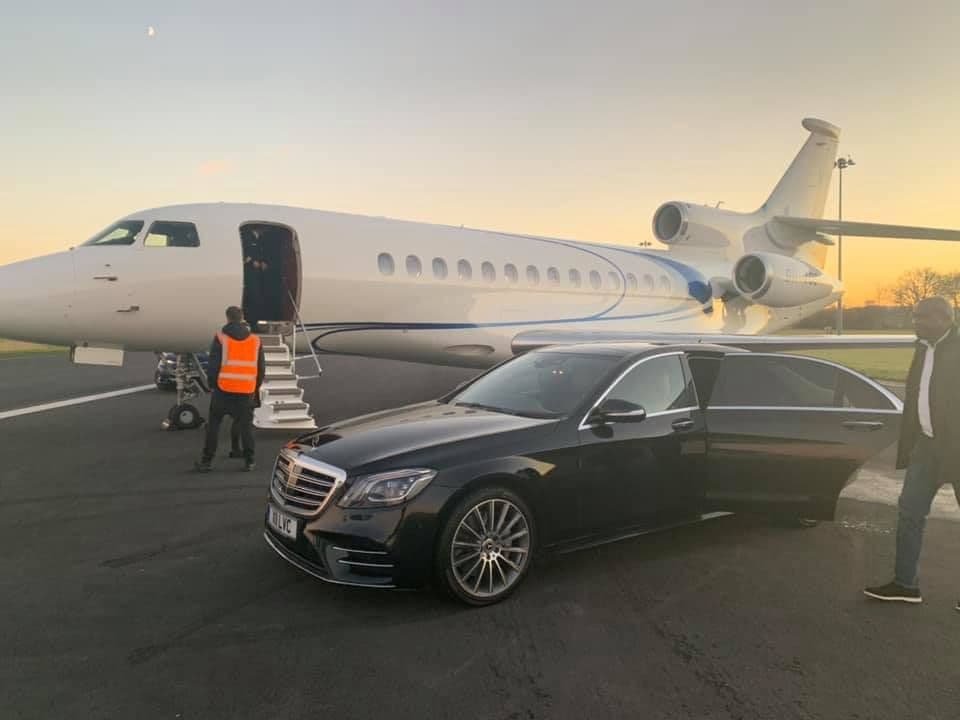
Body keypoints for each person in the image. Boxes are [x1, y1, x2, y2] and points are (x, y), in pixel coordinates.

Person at [864, 296, 960, 611]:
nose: (916, 323)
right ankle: (906, 585)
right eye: (915, 317)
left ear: (945, 319)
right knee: (909, 513)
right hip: (927, 446)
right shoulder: (922, 348)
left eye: (922, 318)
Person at [194, 306, 265, 473]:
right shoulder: (255, 341)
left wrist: (212, 385)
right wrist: (255, 388)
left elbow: (213, 366)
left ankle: (207, 461)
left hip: (223, 390)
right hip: (246, 390)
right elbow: (261, 368)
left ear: (227, 318)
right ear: (242, 319)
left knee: (214, 425)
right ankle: (249, 461)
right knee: (246, 427)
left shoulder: (221, 338)